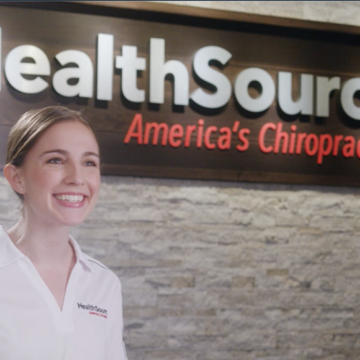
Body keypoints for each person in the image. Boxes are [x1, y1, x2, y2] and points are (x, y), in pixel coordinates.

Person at [0, 106, 127, 360]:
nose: (77, 178)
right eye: (56, 160)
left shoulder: (104, 284)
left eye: (89, 162)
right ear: (16, 178)